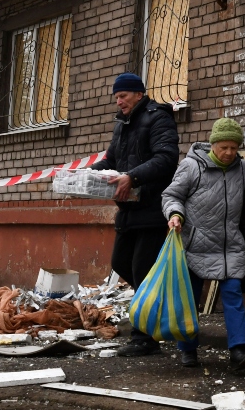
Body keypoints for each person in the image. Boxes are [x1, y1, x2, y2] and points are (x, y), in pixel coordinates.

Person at [163, 117, 245, 371]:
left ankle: (239, 351)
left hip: (230, 245)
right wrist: (175, 214)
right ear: (213, 144)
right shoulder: (191, 166)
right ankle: (188, 349)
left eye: (234, 148)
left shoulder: (241, 168)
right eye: (224, 147)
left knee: (233, 294)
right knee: (190, 300)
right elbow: (172, 195)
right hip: (195, 244)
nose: (229, 153)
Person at [91, 73, 179, 357]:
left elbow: (166, 158)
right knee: (121, 263)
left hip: (152, 208)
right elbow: (111, 160)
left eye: (123, 96)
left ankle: (145, 338)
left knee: (142, 270)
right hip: (128, 210)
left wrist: (133, 177)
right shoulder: (122, 124)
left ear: (139, 94)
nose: (119, 102)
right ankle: (155, 308)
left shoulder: (158, 118)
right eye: (116, 97)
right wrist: (85, 175)